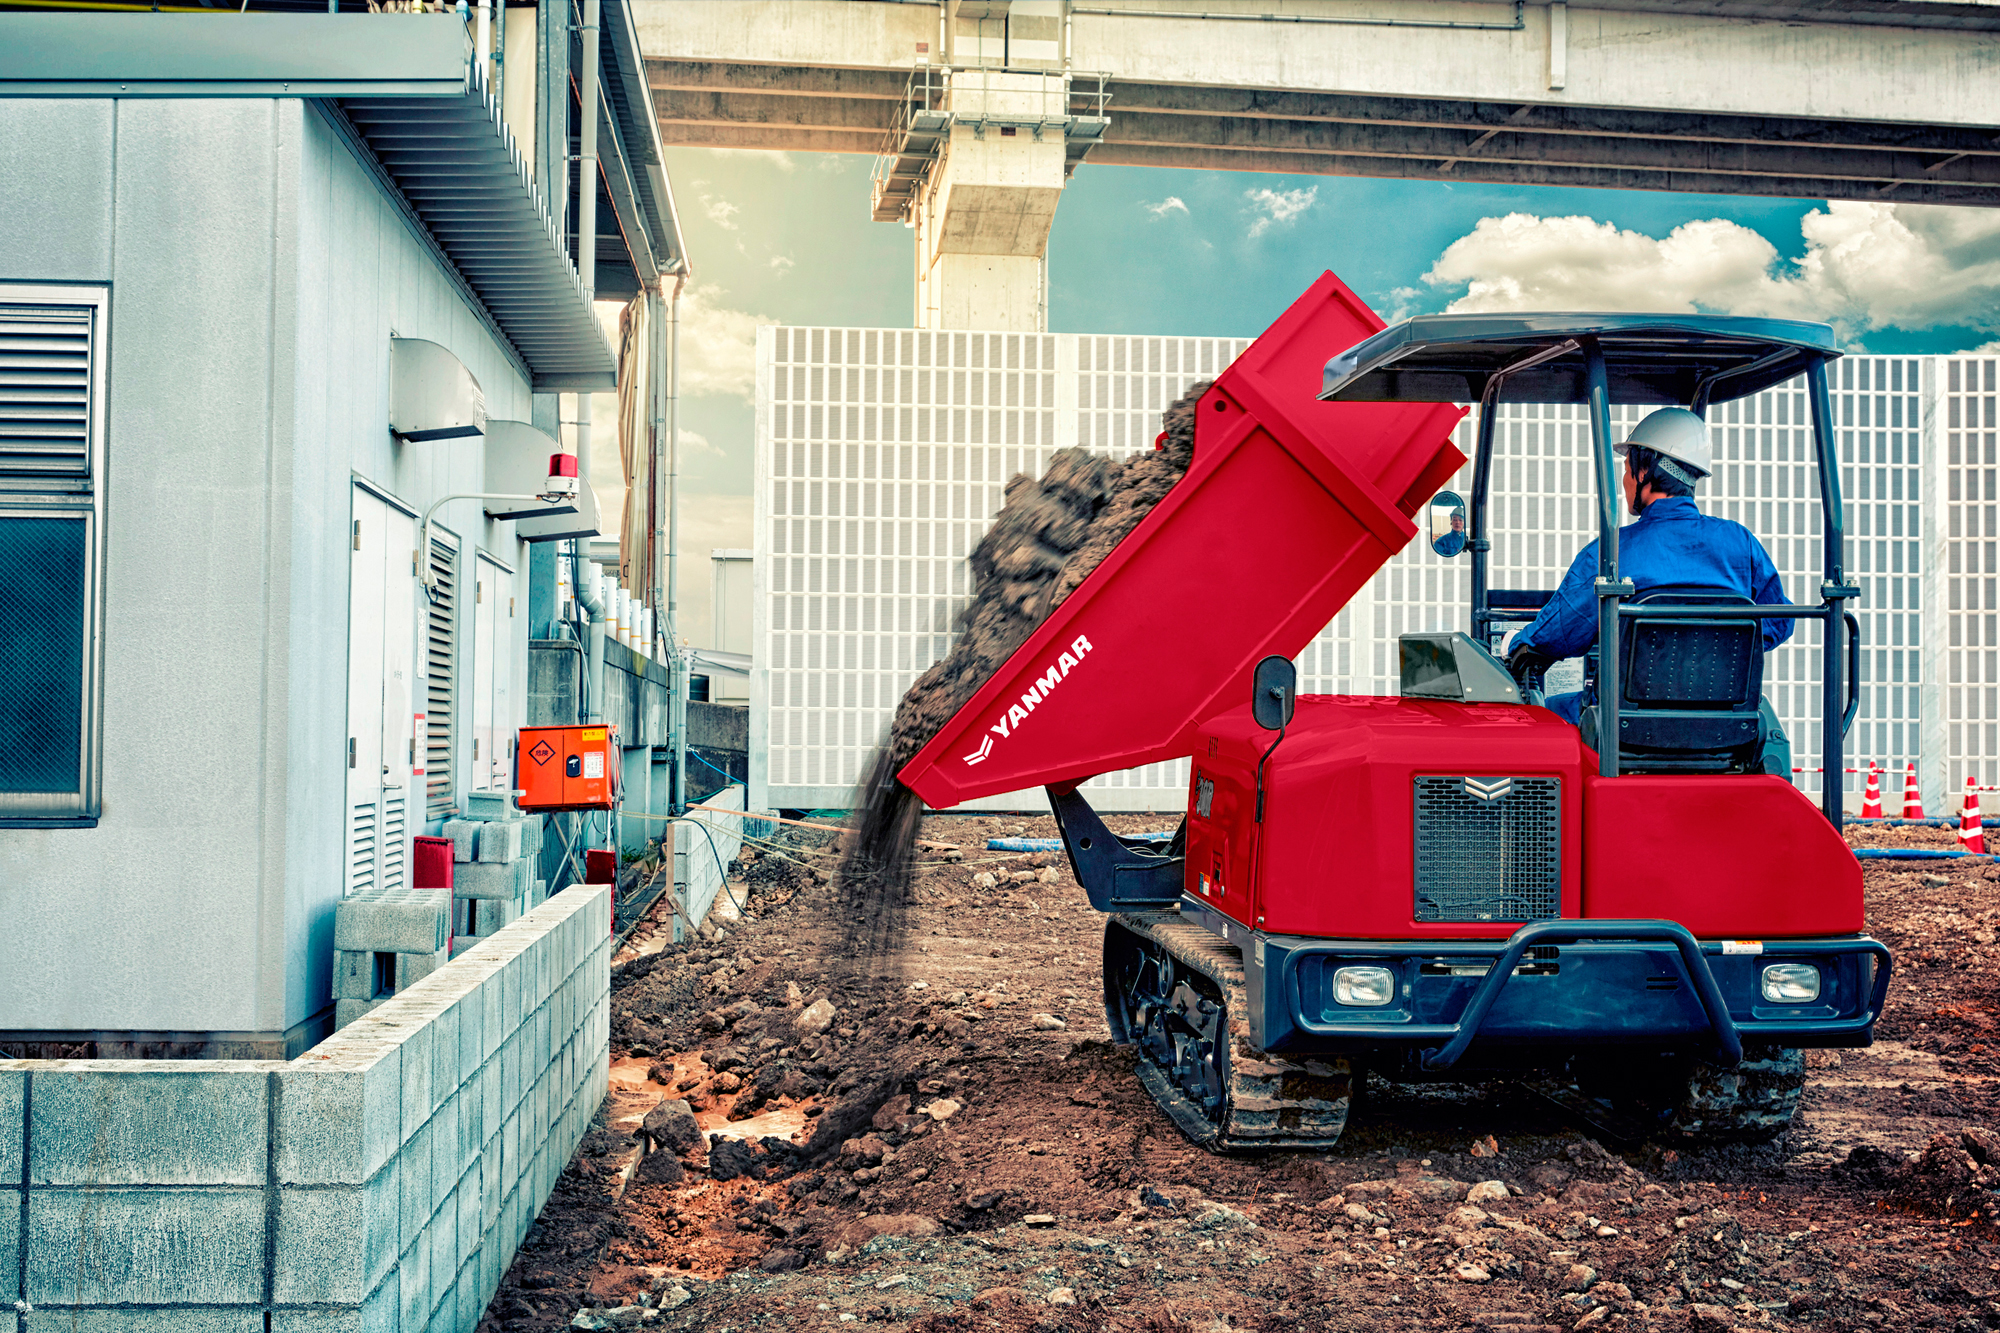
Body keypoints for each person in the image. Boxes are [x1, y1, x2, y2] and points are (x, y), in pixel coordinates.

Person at [1505, 407, 1792, 754]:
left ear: (1645, 470)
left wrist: (1515, 645)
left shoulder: (1612, 551)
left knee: (1542, 714)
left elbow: (1555, 637)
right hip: (1723, 727)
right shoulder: (1740, 543)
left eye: (1627, 470)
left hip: (1627, 731)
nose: (1625, 481)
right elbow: (1778, 622)